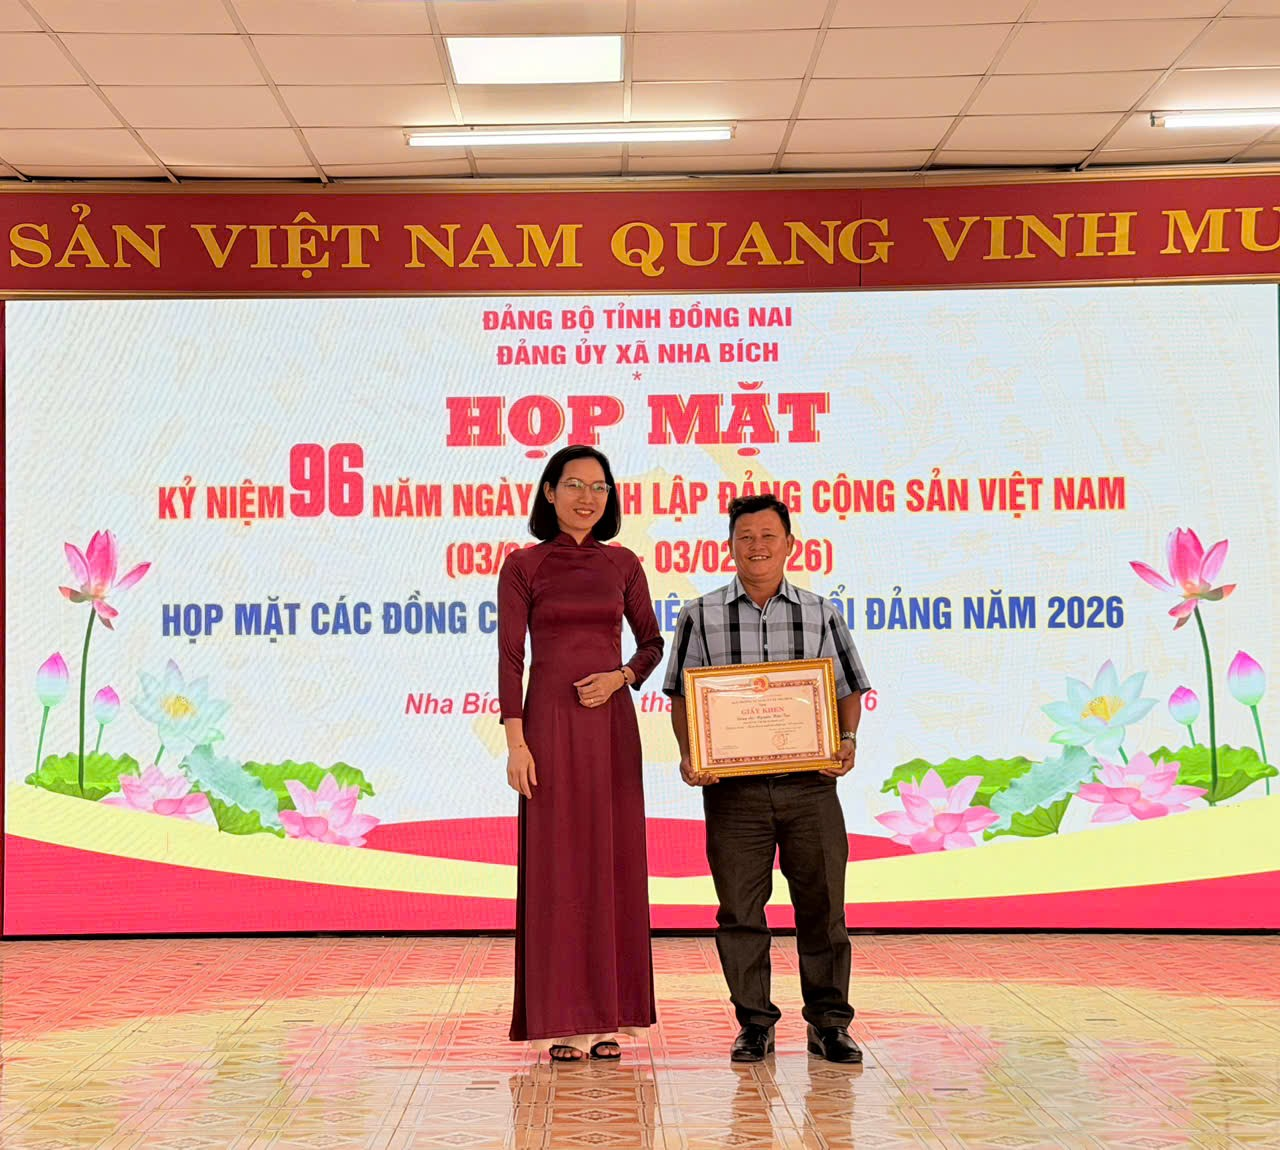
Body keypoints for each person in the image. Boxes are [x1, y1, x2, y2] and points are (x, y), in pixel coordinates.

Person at [663, 494, 871, 1064]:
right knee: (739, 912)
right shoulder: (699, 614)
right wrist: (690, 753)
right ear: (730, 546)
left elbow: (849, 688)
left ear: (789, 544)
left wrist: (847, 741)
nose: (757, 546)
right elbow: (682, 696)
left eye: (768, 536)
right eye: (745, 537)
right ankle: (754, 1023)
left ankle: (830, 1024)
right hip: (734, 793)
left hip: (810, 787)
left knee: (823, 909)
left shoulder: (821, 612)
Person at [498, 445, 665, 1063]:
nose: (587, 497)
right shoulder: (524, 565)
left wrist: (621, 677)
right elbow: (510, 657)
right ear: (549, 492)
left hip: (610, 729)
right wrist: (516, 742)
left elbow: (652, 643)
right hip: (547, 728)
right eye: (573, 484)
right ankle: (561, 1022)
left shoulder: (624, 563)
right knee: (558, 869)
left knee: (610, 863)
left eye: (599, 487)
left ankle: (608, 1018)